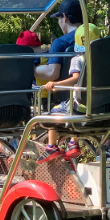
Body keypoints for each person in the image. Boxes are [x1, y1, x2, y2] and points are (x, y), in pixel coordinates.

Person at [37, 24, 101, 163]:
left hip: (81, 106)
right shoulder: (103, 61)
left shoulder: (77, 59)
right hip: (100, 104)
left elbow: (75, 79)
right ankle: (72, 143)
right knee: (73, 107)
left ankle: (51, 146)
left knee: (53, 112)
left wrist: (56, 84)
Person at [35, 0, 83, 99]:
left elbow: (52, 73)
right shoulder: (94, 38)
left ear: (64, 17)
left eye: (58, 18)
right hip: (93, 94)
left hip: (66, 97)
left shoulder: (60, 42)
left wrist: (30, 69)